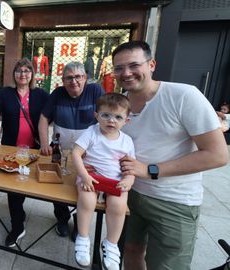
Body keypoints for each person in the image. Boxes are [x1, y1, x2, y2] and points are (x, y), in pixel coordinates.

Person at [115, 41, 228, 270]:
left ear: (152, 64)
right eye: (119, 68)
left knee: (165, 266)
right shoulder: (121, 103)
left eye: (134, 65)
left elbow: (218, 155)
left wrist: (150, 169)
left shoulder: (183, 95)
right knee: (130, 251)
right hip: (130, 195)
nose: (126, 73)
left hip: (173, 202)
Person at [0, 58, 49, 247]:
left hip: (33, 150)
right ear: (14, 74)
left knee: (27, 185)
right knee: (13, 190)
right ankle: (17, 226)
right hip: (11, 149)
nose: (23, 74)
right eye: (19, 71)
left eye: (27, 71)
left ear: (32, 74)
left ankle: (22, 212)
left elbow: (52, 114)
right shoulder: (5, 94)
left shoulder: (41, 94)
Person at [39, 61, 105, 237]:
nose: (73, 81)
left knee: (84, 188)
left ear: (85, 78)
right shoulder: (58, 93)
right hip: (60, 152)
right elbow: (44, 118)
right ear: (63, 80)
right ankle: (61, 219)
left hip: (88, 155)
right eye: (69, 78)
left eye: (78, 76)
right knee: (57, 185)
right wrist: (44, 143)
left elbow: (107, 117)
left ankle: (79, 223)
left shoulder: (95, 91)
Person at [72, 93, 135, 269]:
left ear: (126, 121)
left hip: (114, 181)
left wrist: (129, 179)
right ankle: (83, 237)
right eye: (106, 115)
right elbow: (76, 153)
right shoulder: (91, 132)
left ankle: (112, 244)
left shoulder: (127, 141)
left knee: (118, 206)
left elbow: (131, 165)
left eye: (118, 117)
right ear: (96, 115)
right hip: (90, 178)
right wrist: (84, 174)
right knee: (87, 199)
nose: (111, 120)